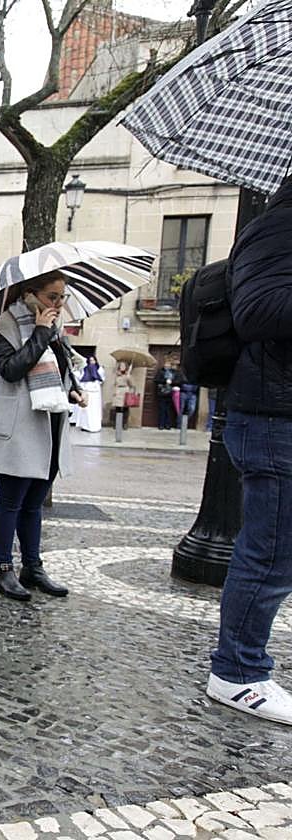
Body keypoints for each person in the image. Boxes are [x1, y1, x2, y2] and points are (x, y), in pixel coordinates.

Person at [206, 174, 292, 725]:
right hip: (273, 417)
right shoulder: (278, 226)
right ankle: (237, 672)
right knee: (271, 551)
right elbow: (259, 310)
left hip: (277, 411)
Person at [0, 271, 85, 601]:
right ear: (31, 294)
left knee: (34, 503)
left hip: (50, 425)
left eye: (62, 298)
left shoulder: (55, 331)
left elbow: (59, 371)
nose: (58, 304)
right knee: (11, 500)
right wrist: (40, 333)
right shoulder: (2, 327)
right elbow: (12, 370)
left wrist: (74, 390)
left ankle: (33, 567)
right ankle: (3, 570)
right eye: (52, 297)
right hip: (17, 427)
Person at [75, 354, 104, 432]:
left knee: (95, 411)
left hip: (95, 394)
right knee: (86, 411)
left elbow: (101, 379)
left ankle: (95, 427)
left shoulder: (99, 369)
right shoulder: (85, 369)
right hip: (87, 393)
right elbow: (79, 377)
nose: (92, 362)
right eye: (90, 361)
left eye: (93, 360)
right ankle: (86, 426)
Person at [154, 359, 182, 430]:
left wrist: (172, 382)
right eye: (166, 364)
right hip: (162, 393)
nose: (167, 365)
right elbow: (156, 380)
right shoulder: (160, 372)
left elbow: (179, 381)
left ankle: (168, 425)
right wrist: (164, 381)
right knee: (162, 410)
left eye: (169, 364)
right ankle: (161, 425)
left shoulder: (174, 372)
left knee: (168, 410)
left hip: (171, 393)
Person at [111, 361, 134, 429]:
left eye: (123, 366)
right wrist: (114, 391)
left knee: (125, 408)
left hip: (125, 391)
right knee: (117, 408)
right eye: (121, 366)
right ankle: (117, 423)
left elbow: (131, 384)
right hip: (118, 391)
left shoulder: (128, 375)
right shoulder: (117, 374)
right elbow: (115, 383)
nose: (122, 367)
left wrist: (128, 376)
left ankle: (124, 423)